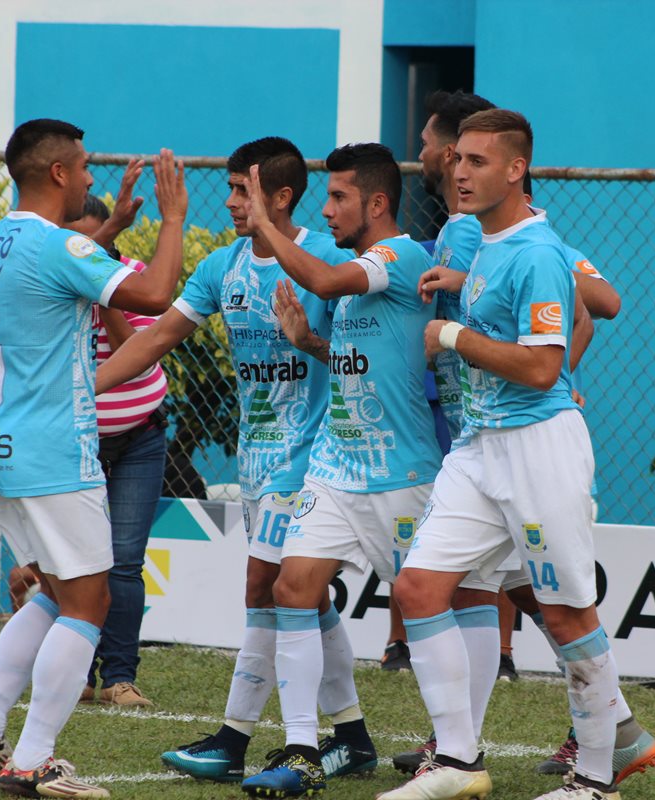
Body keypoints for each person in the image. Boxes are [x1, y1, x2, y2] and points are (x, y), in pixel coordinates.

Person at [392, 91, 655, 789]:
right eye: (457, 160)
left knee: (569, 614)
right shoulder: (486, 244)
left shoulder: (539, 253)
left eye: (478, 161)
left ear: (516, 170)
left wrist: (450, 334)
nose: (461, 173)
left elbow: (544, 369)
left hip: (537, 449)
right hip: (480, 449)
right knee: (418, 589)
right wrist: (460, 291)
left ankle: (597, 774)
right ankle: (456, 761)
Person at [92, 137, 368, 784]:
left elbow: (361, 356)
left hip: (314, 459)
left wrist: (313, 342)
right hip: (258, 461)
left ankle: (239, 739)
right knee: (303, 595)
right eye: (231, 189)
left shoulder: (326, 261)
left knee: (263, 587)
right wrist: (86, 389)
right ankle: (350, 735)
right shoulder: (224, 267)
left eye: (242, 190)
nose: (231, 202)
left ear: (280, 197)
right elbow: (158, 335)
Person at [0, 119, 187, 800]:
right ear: (56, 173)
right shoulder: (58, 244)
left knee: (55, 592)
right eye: (81, 167)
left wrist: (104, 237)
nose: (89, 178)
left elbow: (57, 273)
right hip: (55, 450)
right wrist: (172, 221)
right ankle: (33, 761)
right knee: (89, 601)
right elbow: (154, 296)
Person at [234, 143, 455, 798]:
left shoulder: (401, 257)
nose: (325, 209)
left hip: (402, 475)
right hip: (336, 467)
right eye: (325, 197)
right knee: (292, 589)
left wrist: (269, 227)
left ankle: (474, 743)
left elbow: (327, 283)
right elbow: (362, 362)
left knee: (471, 599)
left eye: (337, 197)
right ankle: (304, 748)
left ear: (378, 203)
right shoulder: (363, 273)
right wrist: (310, 344)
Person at [65, 194, 170, 708]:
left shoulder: (135, 279)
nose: (85, 250)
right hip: (76, 442)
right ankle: (78, 675)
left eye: (94, 240)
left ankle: (119, 678)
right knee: (78, 562)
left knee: (125, 561)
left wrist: (105, 298)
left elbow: (141, 356)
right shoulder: (51, 280)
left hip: (139, 439)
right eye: (76, 242)